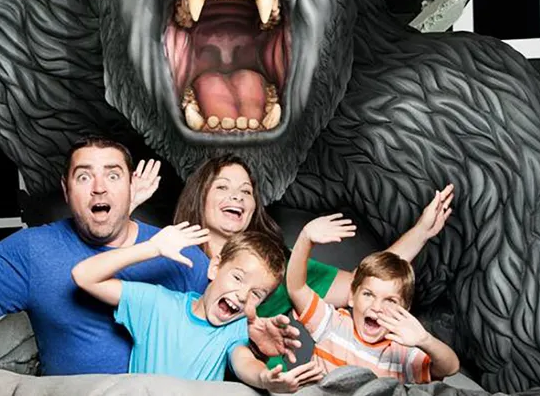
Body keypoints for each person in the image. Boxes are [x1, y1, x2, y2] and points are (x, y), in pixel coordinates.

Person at [0, 117, 298, 376]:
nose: (99, 186)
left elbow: (218, 318)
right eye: (84, 176)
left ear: (131, 185)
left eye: (113, 175)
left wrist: (250, 331)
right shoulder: (32, 250)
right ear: (66, 188)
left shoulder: (179, 253)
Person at [164, 155, 455, 369]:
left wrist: (421, 232)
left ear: (254, 207)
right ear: (199, 196)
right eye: (223, 187)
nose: (237, 197)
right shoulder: (169, 253)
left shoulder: (280, 264)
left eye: (246, 192)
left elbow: (362, 285)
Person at [72, 228, 323, 392]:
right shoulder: (157, 304)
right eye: (237, 278)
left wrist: (266, 379)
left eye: (257, 294)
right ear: (215, 268)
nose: (243, 295)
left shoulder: (234, 328)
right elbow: (83, 276)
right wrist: (153, 248)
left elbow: (244, 362)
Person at [287, 216, 460, 382]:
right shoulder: (333, 324)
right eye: (368, 294)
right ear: (352, 297)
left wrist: (425, 340)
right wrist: (306, 238)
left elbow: (450, 368)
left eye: (390, 301)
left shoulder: (401, 353)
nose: (377, 307)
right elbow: (297, 288)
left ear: (404, 310)